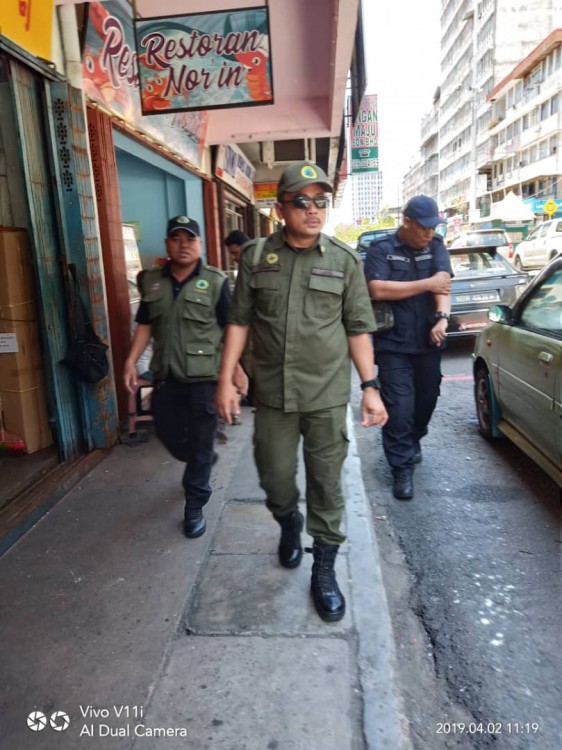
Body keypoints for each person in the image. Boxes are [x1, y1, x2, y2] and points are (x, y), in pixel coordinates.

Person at [216, 161, 388, 623]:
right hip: (273, 394)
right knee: (274, 478)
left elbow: (357, 329)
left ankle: (325, 570)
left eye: (321, 201)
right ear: (281, 208)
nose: (313, 210)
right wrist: (227, 377)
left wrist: (370, 387)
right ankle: (288, 523)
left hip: (327, 395)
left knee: (327, 484)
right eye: (302, 201)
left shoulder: (344, 261)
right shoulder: (254, 258)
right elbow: (240, 321)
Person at [124, 215, 245, 539]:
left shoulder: (216, 282)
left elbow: (230, 329)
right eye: (177, 238)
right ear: (167, 244)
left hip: (205, 378)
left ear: (199, 244)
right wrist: (130, 361)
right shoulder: (150, 280)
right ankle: (199, 458)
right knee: (170, 436)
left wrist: (233, 373)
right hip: (167, 376)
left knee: (202, 444)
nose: (184, 244)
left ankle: (194, 505)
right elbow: (145, 324)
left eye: (190, 239)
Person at [364, 195, 453, 501]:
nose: (429, 233)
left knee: (427, 398)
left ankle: (414, 440)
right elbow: (377, 288)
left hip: (429, 341)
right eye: (424, 227)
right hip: (393, 343)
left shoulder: (437, 246)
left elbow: (443, 285)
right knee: (399, 407)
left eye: (433, 227)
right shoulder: (382, 250)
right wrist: (427, 284)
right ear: (407, 222)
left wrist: (442, 317)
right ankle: (401, 468)